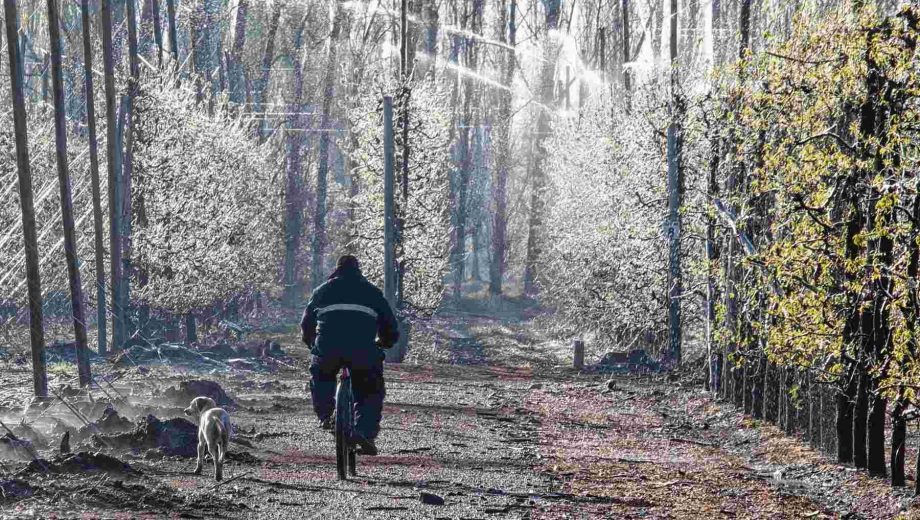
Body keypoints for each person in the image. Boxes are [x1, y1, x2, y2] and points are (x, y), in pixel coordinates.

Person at [300, 255, 399, 455]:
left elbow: (306, 325)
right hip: (362, 348)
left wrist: (312, 345)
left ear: (336, 270)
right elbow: (390, 326)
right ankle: (365, 431)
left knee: (321, 376)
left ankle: (326, 416)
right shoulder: (372, 292)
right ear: (358, 271)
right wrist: (385, 343)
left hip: (328, 347)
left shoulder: (322, 291)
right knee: (370, 388)